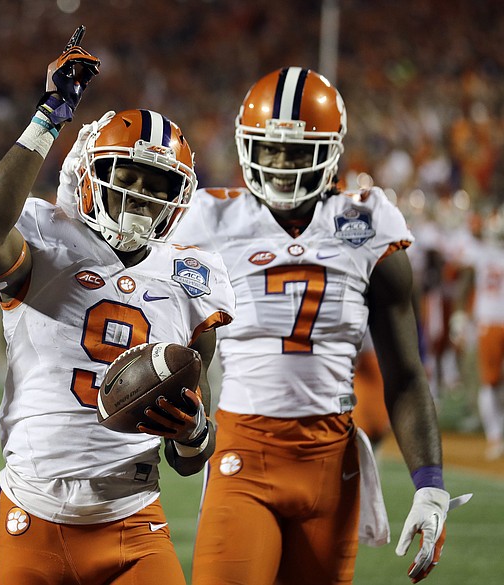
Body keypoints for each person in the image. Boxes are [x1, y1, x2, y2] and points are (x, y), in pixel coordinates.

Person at [173, 67, 469, 584]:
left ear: (330, 152)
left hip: (331, 461)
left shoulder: (370, 222)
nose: (282, 167)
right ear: (247, 148)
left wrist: (429, 482)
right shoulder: (210, 219)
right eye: (269, 150)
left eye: (296, 153)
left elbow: (405, 372)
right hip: (243, 451)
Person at [0, 29, 235, 584]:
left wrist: (191, 432)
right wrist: (49, 116)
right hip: (33, 510)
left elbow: (191, 456)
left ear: (177, 196)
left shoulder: (193, 275)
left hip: (132, 518)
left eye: (157, 182)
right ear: (90, 174)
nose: (139, 192)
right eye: (126, 174)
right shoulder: (45, 235)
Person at [451, 206, 504, 460]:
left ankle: (495, 435)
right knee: (490, 381)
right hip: (490, 321)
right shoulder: (482, 254)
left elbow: (465, 280)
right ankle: (495, 434)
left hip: (490, 321)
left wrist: (460, 314)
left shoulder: (481, 253)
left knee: (489, 382)